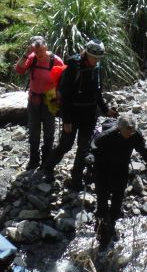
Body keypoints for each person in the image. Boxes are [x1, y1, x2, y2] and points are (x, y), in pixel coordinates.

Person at [42, 39, 118, 191]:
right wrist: (67, 120)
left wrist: (105, 109)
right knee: (66, 145)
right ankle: (48, 167)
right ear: (86, 54)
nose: (96, 60)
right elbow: (65, 97)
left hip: (89, 115)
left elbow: (98, 91)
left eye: (98, 58)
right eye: (94, 57)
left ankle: (76, 178)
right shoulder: (73, 68)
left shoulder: (96, 67)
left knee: (83, 148)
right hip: (73, 114)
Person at [90, 114, 147, 246]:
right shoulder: (106, 136)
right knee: (102, 199)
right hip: (102, 169)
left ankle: (112, 224)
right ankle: (100, 226)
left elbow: (144, 151)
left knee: (118, 196)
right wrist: (89, 160)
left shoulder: (135, 135)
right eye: (127, 132)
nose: (130, 134)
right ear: (119, 128)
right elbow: (91, 147)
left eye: (132, 131)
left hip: (121, 168)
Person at [14, 35, 65, 171]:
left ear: (46, 47)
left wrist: (61, 97)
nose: (39, 54)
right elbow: (19, 70)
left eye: (41, 51)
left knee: (49, 131)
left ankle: (46, 160)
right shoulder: (32, 58)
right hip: (34, 100)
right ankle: (33, 160)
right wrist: (26, 53)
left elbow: (64, 80)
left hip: (50, 100)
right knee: (33, 132)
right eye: (36, 52)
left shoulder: (56, 60)